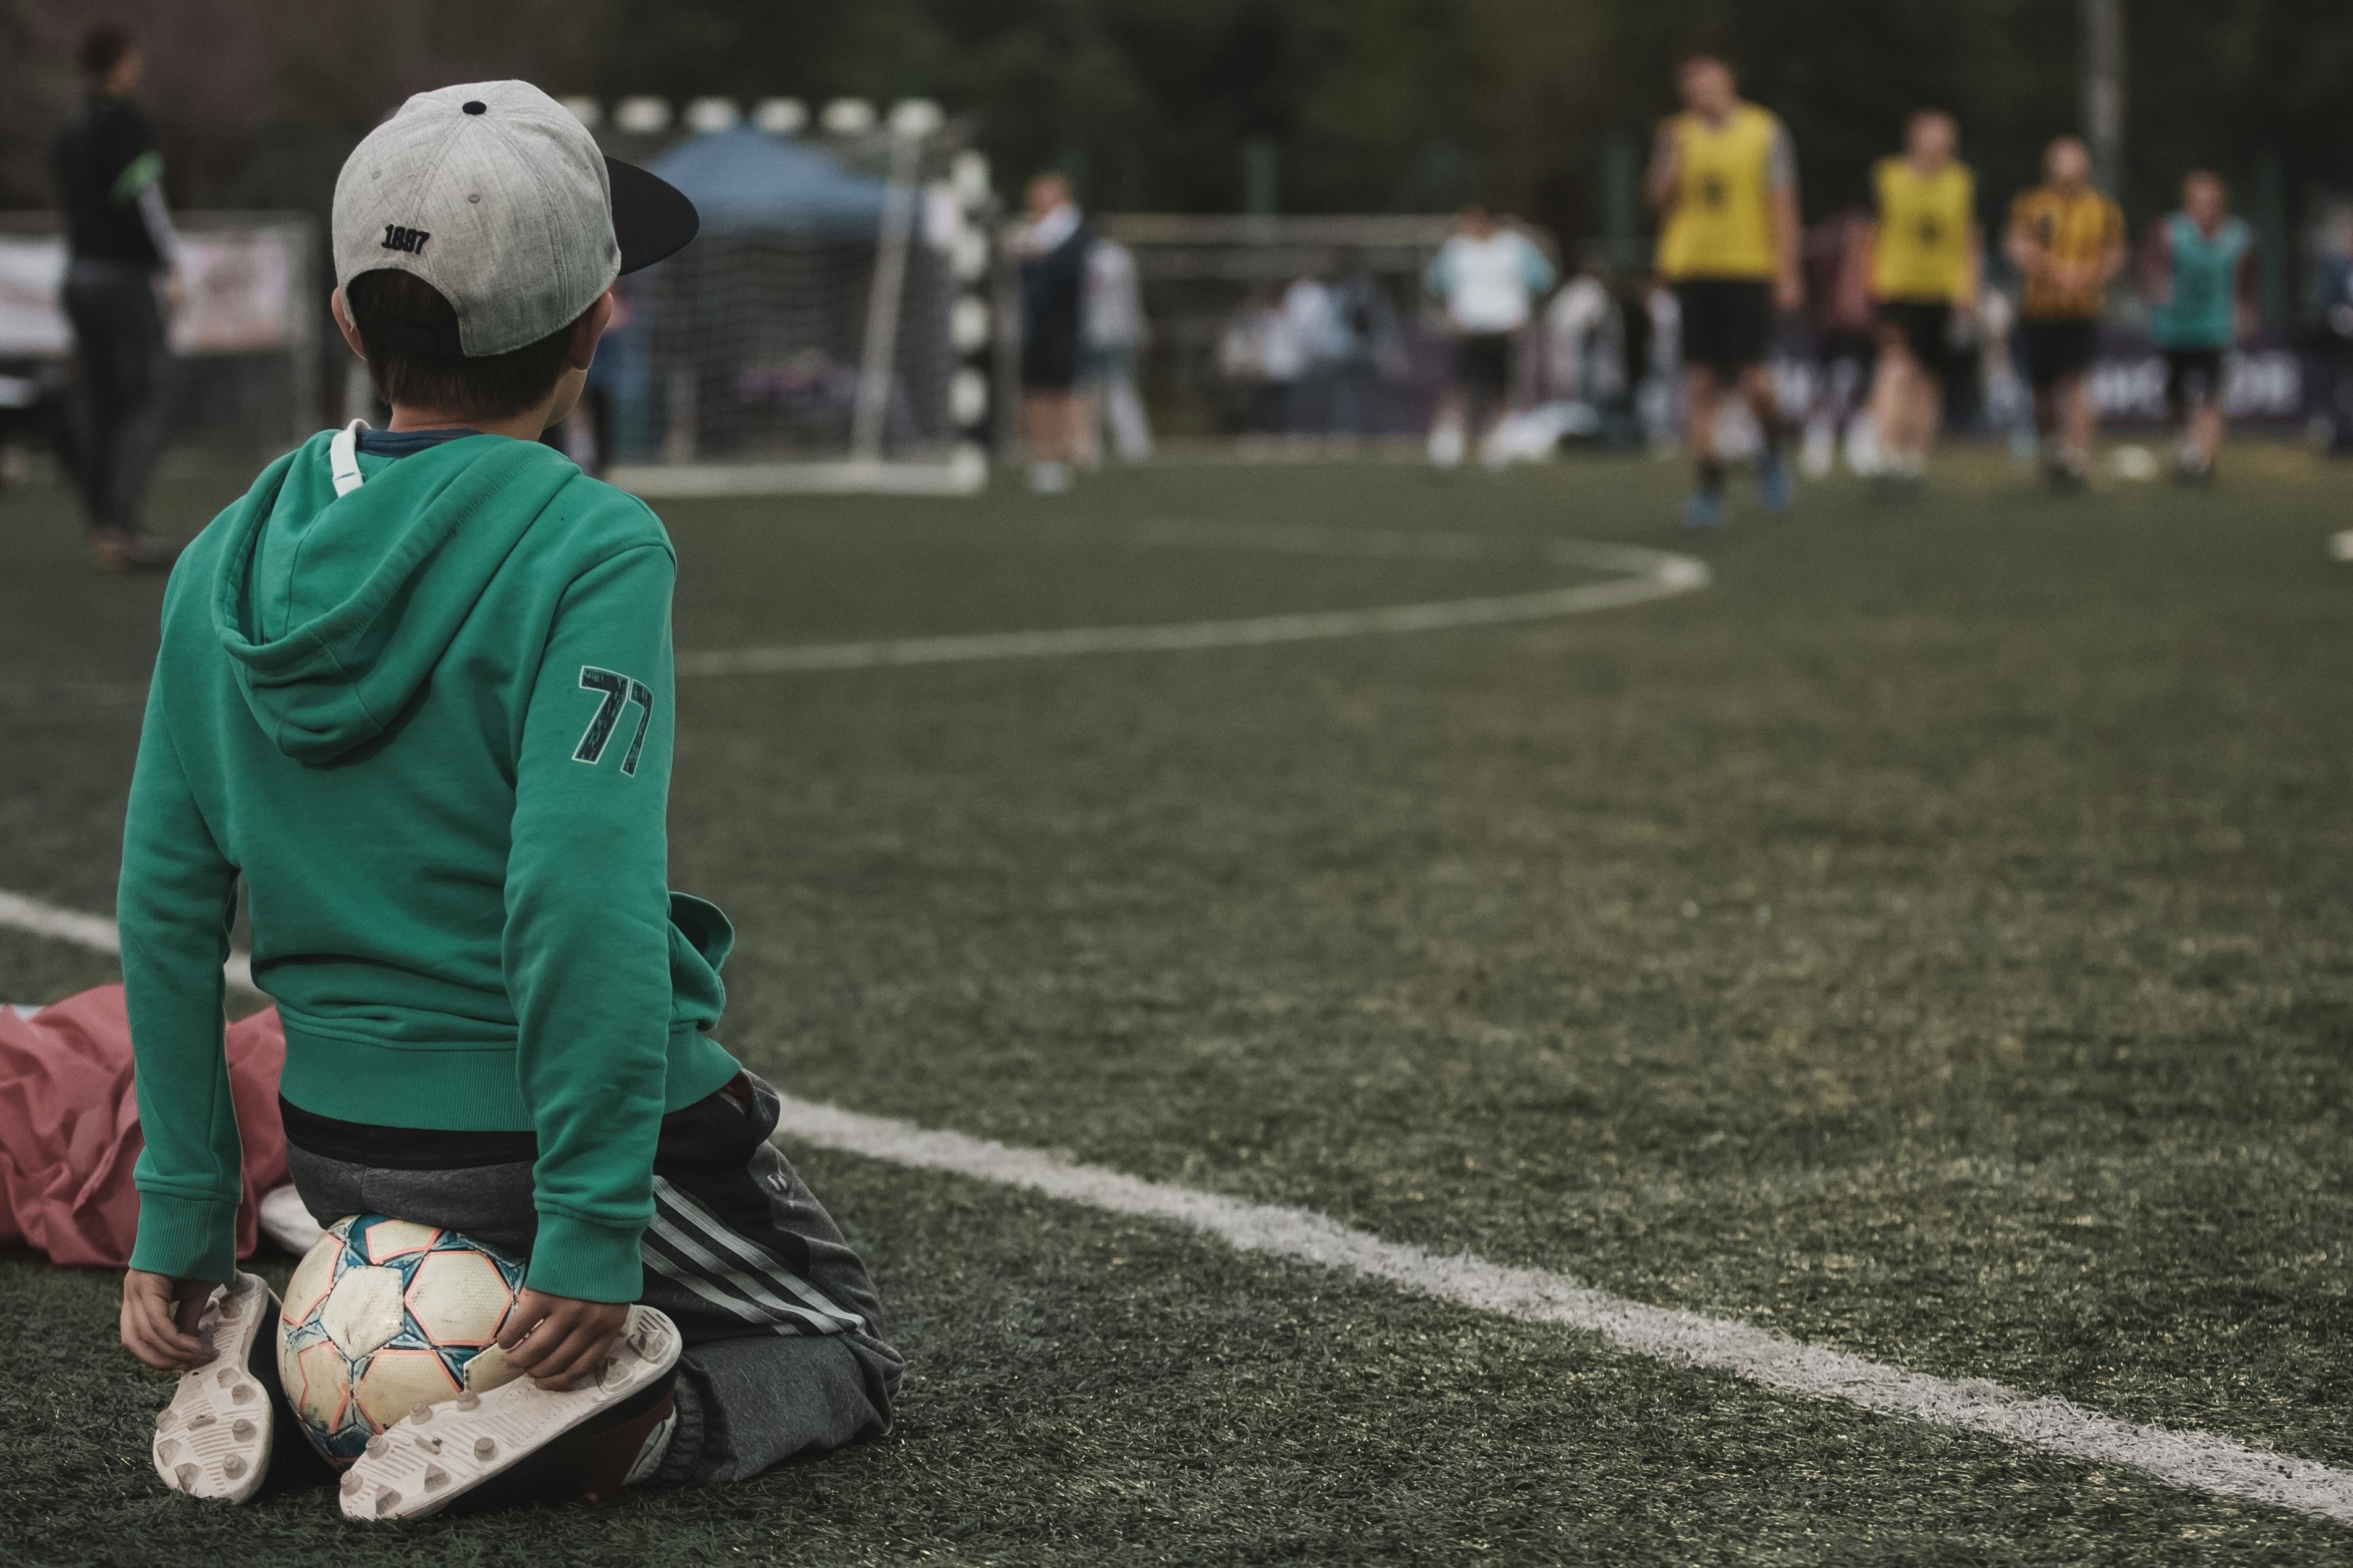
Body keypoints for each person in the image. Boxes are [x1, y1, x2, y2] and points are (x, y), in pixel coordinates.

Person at [115, 81, 899, 1518]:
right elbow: (576, 891)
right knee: (839, 1339)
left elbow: (165, 901)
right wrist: (591, 1221)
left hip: (337, 1142)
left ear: (348, 321)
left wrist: (181, 1205)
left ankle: (296, 1360)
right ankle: (601, 1436)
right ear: (600, 321)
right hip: (534, 1143)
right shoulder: (591, 542)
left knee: (447, 1277)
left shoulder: (220, 554)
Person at [1647, 54, 1803, 527]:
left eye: (1708, 85)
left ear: (1729, 82)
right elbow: (1658, 200)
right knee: (1701, 383)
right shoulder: (1677, 134)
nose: (1700, 96)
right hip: (1692, 270)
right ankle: (1708, 489)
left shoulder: (1763, 131)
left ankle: (1771, 454)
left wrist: (1787, 272)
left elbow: (1781, 204)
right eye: (1692, 89)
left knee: (1755, 381)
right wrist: (1671, 155)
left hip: (1747, 268)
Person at [53, 24, 182, 572]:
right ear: (121, 64)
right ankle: (118, 522)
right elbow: (145, 200)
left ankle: (102, 524)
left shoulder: (71, 129)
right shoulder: (128, 124)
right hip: (123, 281)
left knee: (99, 404)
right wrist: (169, 264)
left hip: (78, 277)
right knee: (147, 401)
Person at [1864, 111, 1982, 485]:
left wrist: (1969, 288)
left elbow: (1969, 236)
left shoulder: (1960, 181)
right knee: (1896, 366)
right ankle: (1885, 450)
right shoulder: (1888, 176)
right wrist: (1867, 281)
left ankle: (1914, 456)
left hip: (1943, 292)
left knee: (1930, 378)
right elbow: (1871, 231)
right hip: (1897, 288)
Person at [2004, 136, 2124, 490]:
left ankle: (2077, 459)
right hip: (2039, 311)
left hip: (2081, 311)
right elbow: (2018, 246)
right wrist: (2057, 272)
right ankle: (2052, 449)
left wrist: (2086, 276)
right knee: (2041, 393)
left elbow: (2114, 254)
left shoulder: (2104, 209)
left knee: (2076, 382)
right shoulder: (2030, 205)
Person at [2140, 170, 2254, 482]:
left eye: (2211, 203)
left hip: (2216, 329)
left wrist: (2246, 310)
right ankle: (2183, 449)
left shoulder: (2237, 236)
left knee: (2211, 395)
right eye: (2198, 203)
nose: (2205, 210)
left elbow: (2248, 277)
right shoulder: (2169, 231)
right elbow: (2148, 267)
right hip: (2175, 329)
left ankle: (2203, 459)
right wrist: (2156, 288)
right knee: (2175, 397)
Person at [1423, 204, 1555, 469]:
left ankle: (1496, 446)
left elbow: (1543, 278)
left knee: (1500, 391)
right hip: (1470, 330)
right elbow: (1435, 282)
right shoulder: (1457, 249)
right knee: (1463, 388)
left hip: (1504, 329)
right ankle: (1448, 446)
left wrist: (1525, 310)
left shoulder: (1514, 247)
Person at [1015, 172, 1092, 492]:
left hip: (1063, 328)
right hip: (1037, 327)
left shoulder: (1074, 233)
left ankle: (1063, 456)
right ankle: (1042, 457)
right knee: (1036, 392)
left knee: (1062, 392)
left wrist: (1039, 255)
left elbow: (1069, 276)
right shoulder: (1032, 234)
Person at [1799, 208, 1877, 476]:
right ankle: (1820, 439)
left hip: (1859, 327)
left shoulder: (1870, 241)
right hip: (1835, 326)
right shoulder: (1832, 241)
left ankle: (1857, 440)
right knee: (1833, 385)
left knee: (1856, 386)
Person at [1079, 233, 1152, 463]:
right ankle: (1133, 446)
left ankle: (1090, 446)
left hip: (1099, 333)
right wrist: (1139, 329)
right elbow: (1130, 298)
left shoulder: (1083, 256)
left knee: (1095, 392)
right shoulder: (1119, 257)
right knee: (1116, 392)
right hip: (1110, 333)